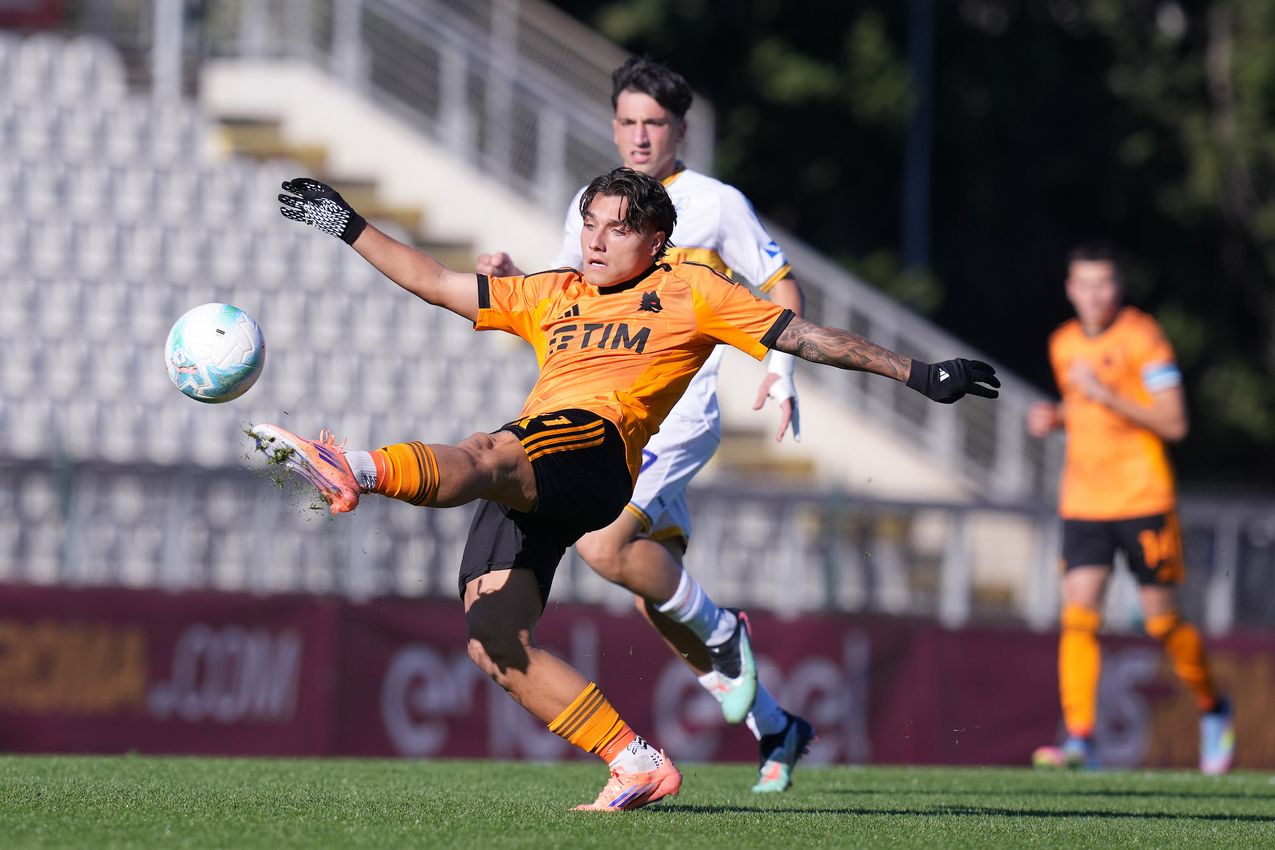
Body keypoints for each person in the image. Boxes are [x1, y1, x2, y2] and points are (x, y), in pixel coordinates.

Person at [261, 167, 999, 811]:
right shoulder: (555, 291)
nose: (594, 241)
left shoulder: (692, 288)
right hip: (537, 470)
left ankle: (351, 470)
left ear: (655, 241)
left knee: (486, 450)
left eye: (615, 229)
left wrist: (922, 374)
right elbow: (436, 282)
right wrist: (344, 222)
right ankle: (634, 762)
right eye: (588, 224)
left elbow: (805, 338)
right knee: (493, 643)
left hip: (592, 452)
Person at [477, 56, 812, 792]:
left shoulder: (713, 202)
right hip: (608, 415)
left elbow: (778, 284)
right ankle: (777, 725)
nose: (637, 136)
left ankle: (727, 633)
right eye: (626, 121)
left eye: (652, 123)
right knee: (646, 588)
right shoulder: (594, 201)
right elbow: (574, 290)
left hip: (677, 415)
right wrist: (509, 276)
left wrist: (778, 369)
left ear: (680, 129)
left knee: (603, 544)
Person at [1026, 242, 1234, 774]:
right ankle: (1081, 738)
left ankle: (1214, 707)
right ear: (1070, 289)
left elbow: (1175, 423)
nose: (1095, 295)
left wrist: (1104, 393)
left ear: (1119, 287)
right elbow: (1086, 413)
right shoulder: (1063, 342)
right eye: (1084, 285)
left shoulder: (1143, 337)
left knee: (1162, 623)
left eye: (1105, 284)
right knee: (1078, 617)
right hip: (1084, 500)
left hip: (1143, 498)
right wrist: (1058, 418)